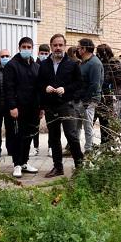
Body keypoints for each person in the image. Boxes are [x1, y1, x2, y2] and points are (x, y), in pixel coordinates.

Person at [37, 33, 83, 178]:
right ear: (51, 46)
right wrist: (44, 88)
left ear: (65, 46)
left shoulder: (72, 64)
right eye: (55, 45)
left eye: (60, 45)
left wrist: (66, 89)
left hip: (66, 105)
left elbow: (79, 84)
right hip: (51, 106)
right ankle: (58, 167)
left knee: (71, 135)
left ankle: (80, 166)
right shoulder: (43, 64)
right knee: (54, 138)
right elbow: (38, 83)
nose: (57, 48)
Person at [3, 37, 41, 178]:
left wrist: (41, 107)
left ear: (32, 48)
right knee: (18, 136)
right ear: (19, 48)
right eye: (24, 47)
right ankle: (17, 164)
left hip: (33, 108)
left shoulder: (36, 66)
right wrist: (12, 106)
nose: (26, 49)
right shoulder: (12, 65)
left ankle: (24, 162)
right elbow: (8, 88)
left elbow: (39, 89)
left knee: (29, 136)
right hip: (18, 108)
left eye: (28, 47)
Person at [75, 38, 103, 153]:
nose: (77, 49)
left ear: (84, 49)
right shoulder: (84, 61)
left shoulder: (95, 63)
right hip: (80, 99)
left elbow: (95, 84)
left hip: (89, 100)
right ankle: (75, 149)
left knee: (87, 126)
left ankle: (88, 150)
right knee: (76, 126)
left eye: (79, 47)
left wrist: (85, 101)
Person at [96, 43, 121, 147]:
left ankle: (107, 145)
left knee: (105, 122)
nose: (100, 55)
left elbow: (119, 81)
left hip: (107, 96)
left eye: (102, 53)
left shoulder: (113, 63)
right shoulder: (97, 62)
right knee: (91, 121)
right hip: (96, 95)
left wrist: (114, 71)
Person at [0, 49, 11, 158]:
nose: (5, 58)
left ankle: (10, 149)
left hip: (9, 105)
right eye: (3, 56)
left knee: (10, 129)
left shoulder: (12, 68)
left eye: (7, 56)